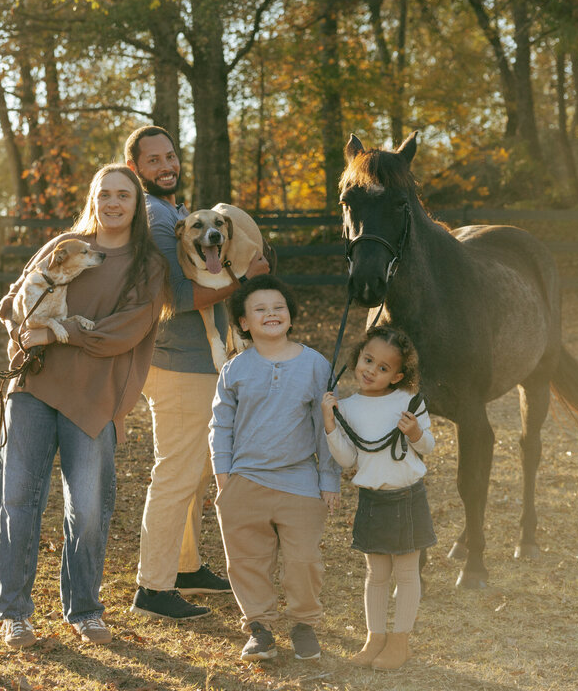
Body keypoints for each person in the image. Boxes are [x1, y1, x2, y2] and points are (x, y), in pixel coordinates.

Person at [0, 164, 170, 649]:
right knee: (17, 500)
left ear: (137, 205)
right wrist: (22, 329)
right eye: (104, 194)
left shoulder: (146, 265)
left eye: (123, 195)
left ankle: (85, 610)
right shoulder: (63, 245)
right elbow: (14, 300)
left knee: (88, 509)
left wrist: (58, 332)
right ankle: (14, 614)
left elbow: (126, 330)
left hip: (95, 397)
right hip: (34, 387)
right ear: (93, 199)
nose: (113, 203)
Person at [124, 125, 270, 620]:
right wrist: (245, 279)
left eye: (170, 156)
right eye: (153, 160)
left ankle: (184, 567)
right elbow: (180, 296)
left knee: (195, 473)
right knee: (175, 474)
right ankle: (152, 587)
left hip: (199, 364)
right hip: (178, 364)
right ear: (135, 169)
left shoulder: (176, 212)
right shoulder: (156, 217)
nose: (166, 166)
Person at [210, 276, 341, 661]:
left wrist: (328, 479)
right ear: (244, 322)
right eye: (260, 309)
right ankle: (260, 628)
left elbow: (326, 428)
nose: (271, 313)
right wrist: (223, 475)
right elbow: (221, 425)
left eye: (278, 307)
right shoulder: (234, 369)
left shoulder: (315, 365)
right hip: (245, 481)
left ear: (291, 316)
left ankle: (303, 625)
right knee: (247, 561)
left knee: (304, 562)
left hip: (299, 481)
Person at [320, 324, 437, 671]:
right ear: (358, 357)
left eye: (383, 367)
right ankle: (374, 638)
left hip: (407, 497)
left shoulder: (409, 402)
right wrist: (330, 423)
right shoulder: (348, 407)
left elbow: (428, 446)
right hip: (372, 500)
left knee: (407, 572)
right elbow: (348, 460)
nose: (371, 370)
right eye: (368, 360)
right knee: (376, 573)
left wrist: (415, 432)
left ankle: (400, 641)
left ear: (397, 376)